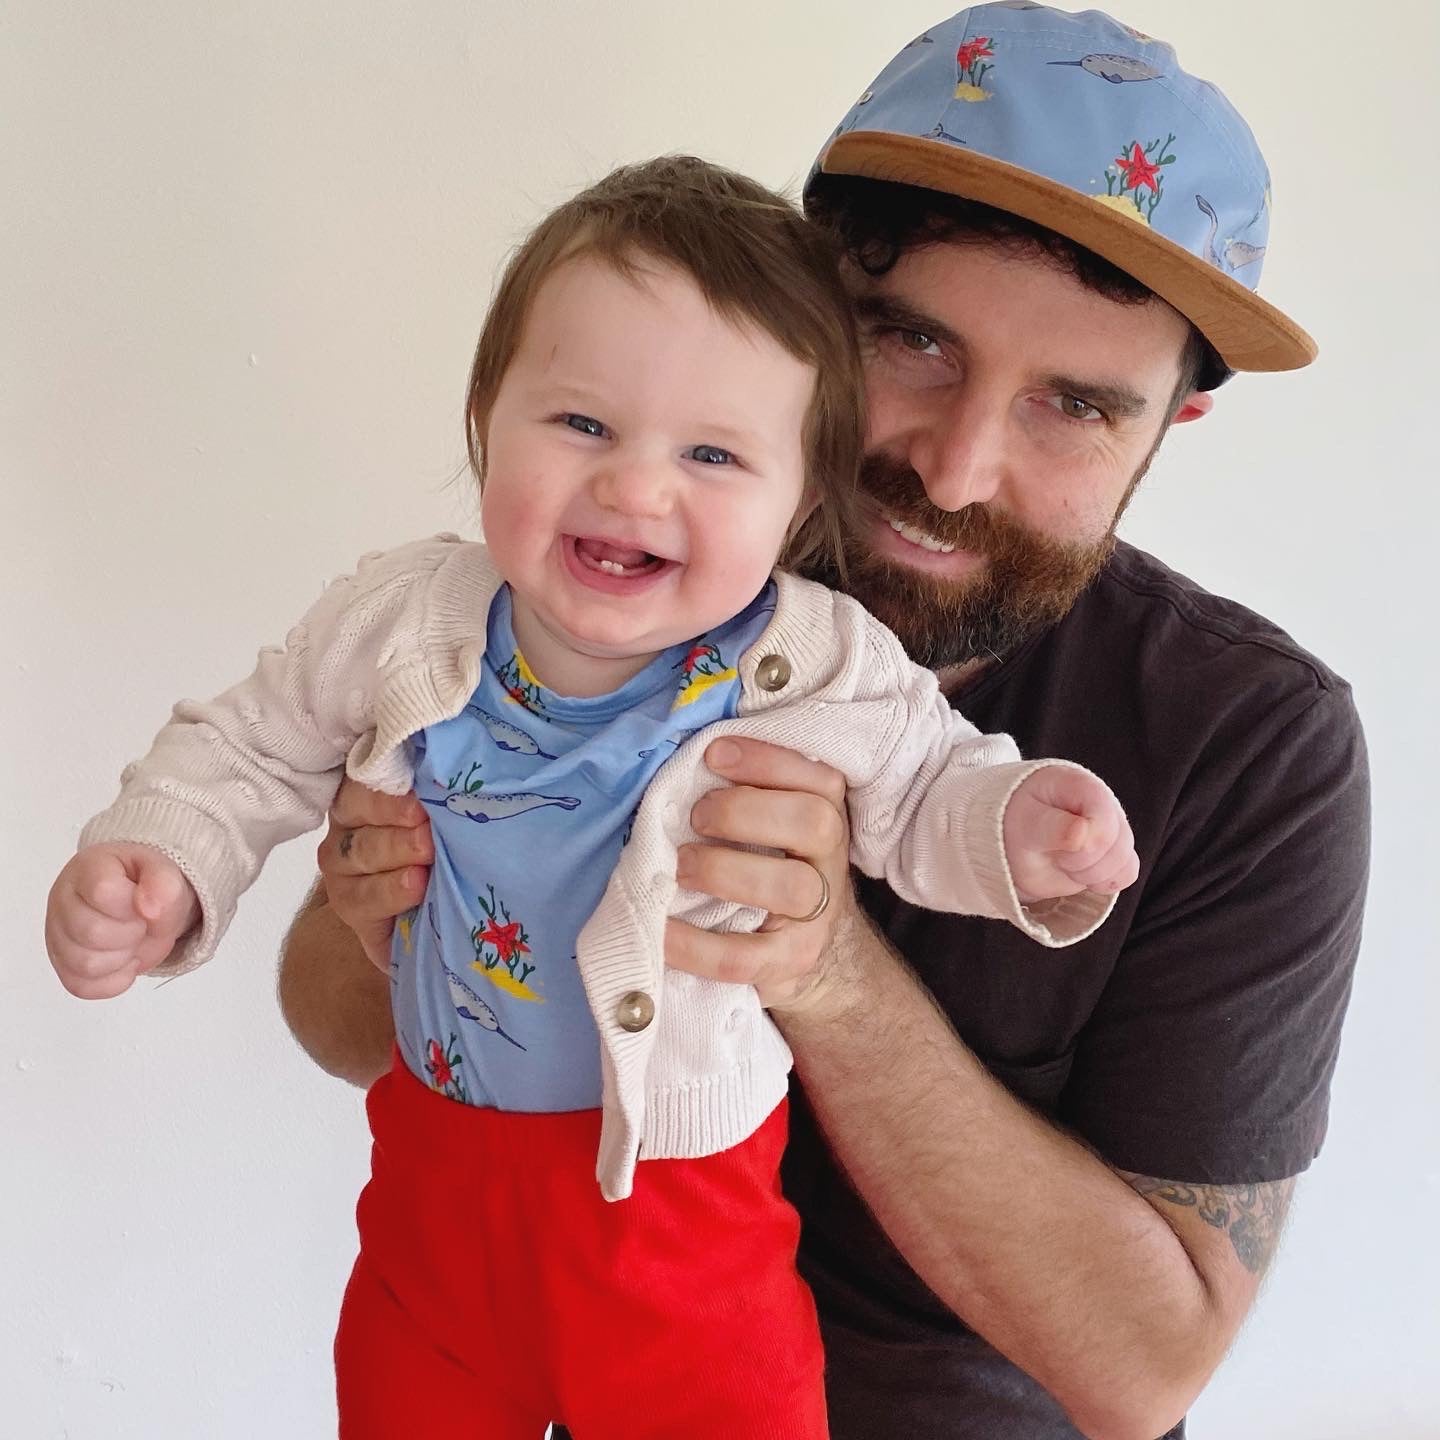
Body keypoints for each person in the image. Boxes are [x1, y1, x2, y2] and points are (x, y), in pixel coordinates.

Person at [280, 6, 1370, 1439]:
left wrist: (832, 970)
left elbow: (1143, 1367)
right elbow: (331, 1019)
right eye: (915, 343)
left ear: (1170, 424)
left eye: (1074, 408)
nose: (961, 468)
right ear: (807, 317)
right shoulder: (606, 579)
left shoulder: (1252, 741)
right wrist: (383, 912)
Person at [45, 153, 1141, 1439]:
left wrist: (1023, 827)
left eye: (715, 454)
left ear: (799, 504)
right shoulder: (401, 618)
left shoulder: (813, 661)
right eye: (580, 424)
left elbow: (928, 790)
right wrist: (158, 864)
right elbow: (245, 746)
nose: (635, 485)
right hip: (434, 1213)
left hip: (682, 1229)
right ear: (482, 419)